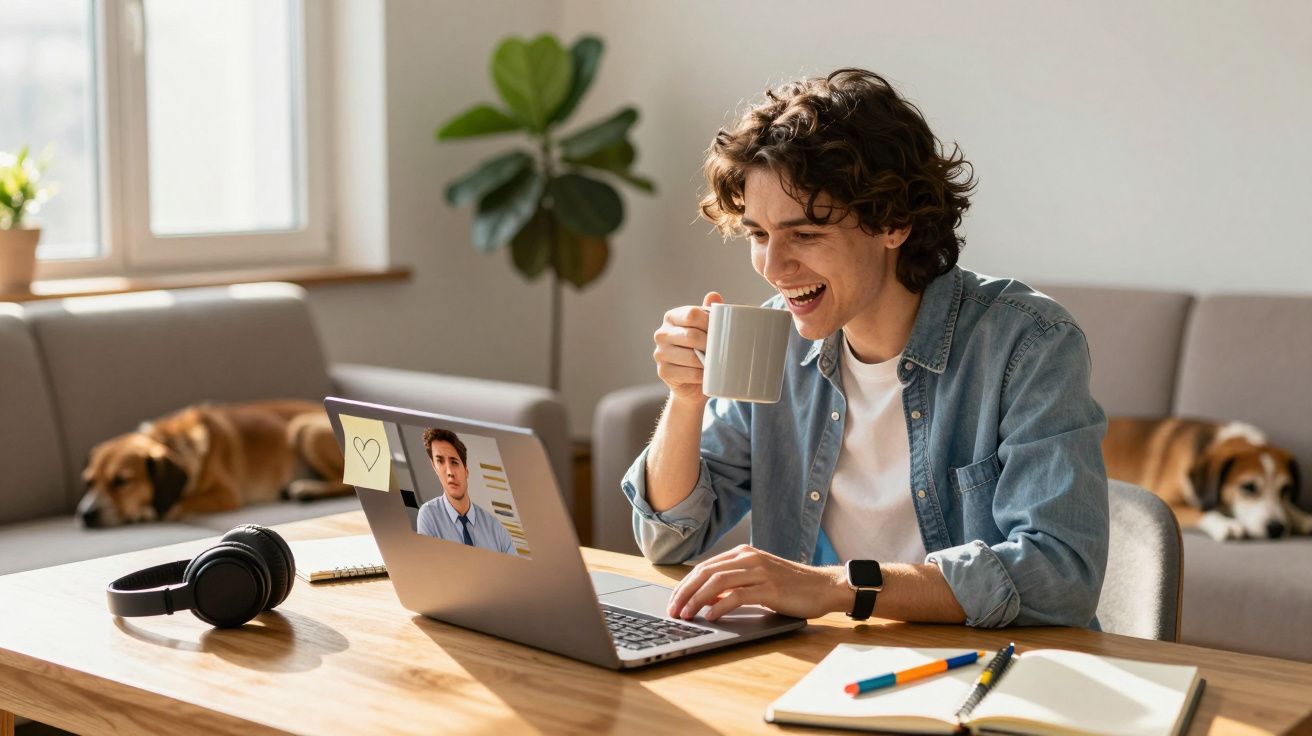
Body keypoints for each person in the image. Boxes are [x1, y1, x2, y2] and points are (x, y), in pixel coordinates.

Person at [622, 68, 1108, 629]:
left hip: (992, 674)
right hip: (819, 667)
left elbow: (1060, 573)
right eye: (758, 234)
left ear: (894, 222)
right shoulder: (775, 341)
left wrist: (835, 587)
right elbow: (668, 538)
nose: (774, 268)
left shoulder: (1026, 343)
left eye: (805, 234)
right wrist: (686, 399)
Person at [417, 428, 518, 555]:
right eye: (440, 461)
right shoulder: (429, 516)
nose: (449, 472)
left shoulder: (495, 527)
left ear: (466, 471)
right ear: (434, 467)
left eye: (454, 462)